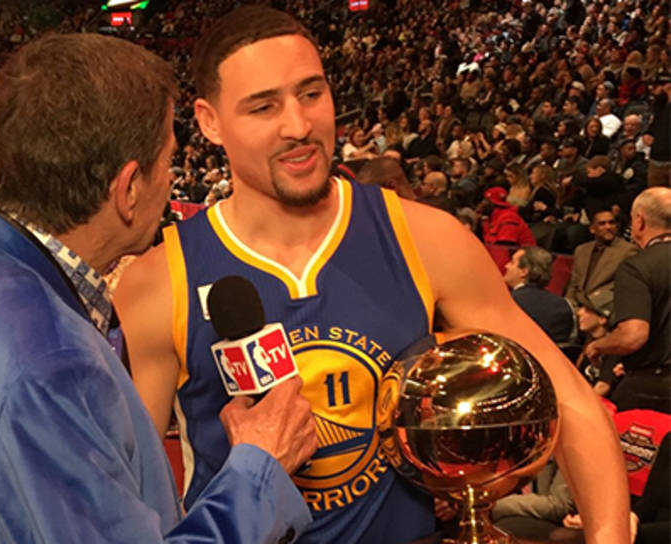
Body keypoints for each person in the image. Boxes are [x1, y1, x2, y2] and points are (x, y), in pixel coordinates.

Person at [114, 7, 630, 544]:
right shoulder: (160, 280)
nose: (298, 126)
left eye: (311, 94)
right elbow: (123, 493)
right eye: (264, 107)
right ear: (209, 122)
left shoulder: (426, 237)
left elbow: (567, 399)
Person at [0, 33, 316, 543]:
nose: (170, 180)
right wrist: (260, 466)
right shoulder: (50, 365)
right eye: (168, 162)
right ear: (128, 189)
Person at [585, 188, 671, 413]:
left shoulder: (637, 267)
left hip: (655, 388)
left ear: (640, 221)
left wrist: (598, 346)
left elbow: (633, 336)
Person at [564, 209, 639, 306]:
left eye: (611, 223)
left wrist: (591, 308)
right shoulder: (581, 250)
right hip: (576, 305)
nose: (608, 227)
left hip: (603, 307)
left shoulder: (628, 251)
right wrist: (568, 305)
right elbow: (574, 284)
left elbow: (620, 287)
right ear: (592, 229)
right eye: (602, 224)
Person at [503, 247, 575, 344]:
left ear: (524, 272)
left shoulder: (509, 302)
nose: (506, 266)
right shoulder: (565, 305)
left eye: (512, 262)